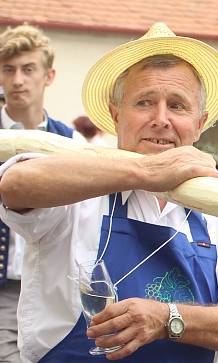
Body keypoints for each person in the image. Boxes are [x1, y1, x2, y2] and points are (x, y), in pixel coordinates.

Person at [0, 23, 218, 362]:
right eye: (145, 102)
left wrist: (169, 319)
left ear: (200, 122)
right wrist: (148, 171)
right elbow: (14, 185)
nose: (161, 119)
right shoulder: (79, 184)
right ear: (115, 114)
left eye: (177, 106)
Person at [0, 24, 85, 363]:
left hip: (55, 284)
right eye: (9, 69)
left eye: (28, 69)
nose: (18, 79)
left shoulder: (69, 140)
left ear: (48, 76)